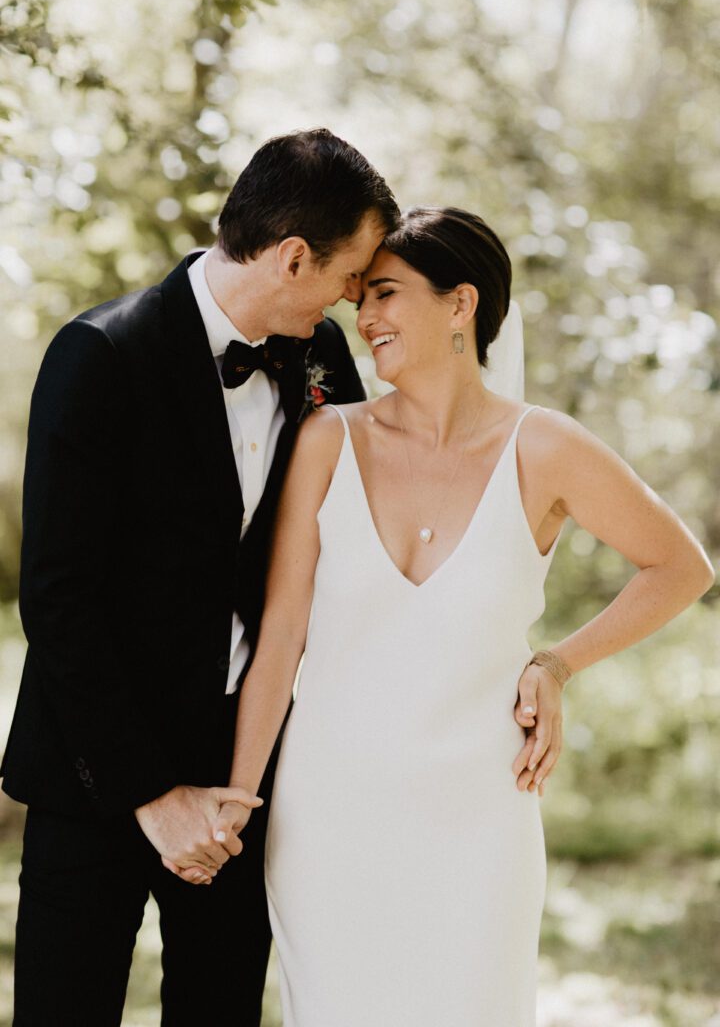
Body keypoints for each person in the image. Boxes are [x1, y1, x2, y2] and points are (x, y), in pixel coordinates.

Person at [191, 206, 715, 1026]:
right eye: (360, 296)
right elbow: (281, 637)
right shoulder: (329, 439)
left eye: (387, 293)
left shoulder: (544, 449)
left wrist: (557, 663)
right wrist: (238, 795)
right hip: (329, 821)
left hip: (480, 824)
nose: (362, 317)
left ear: (460, 304)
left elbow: (683, 566)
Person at [0, 127, 400, 1026]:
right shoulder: (100, 355)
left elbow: (355, 550)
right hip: (95, 775)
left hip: (244, 778)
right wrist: (151, 792)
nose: (354, 299)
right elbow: (59, 600)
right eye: (350, 275)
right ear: (295, 257)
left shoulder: (325, 364)